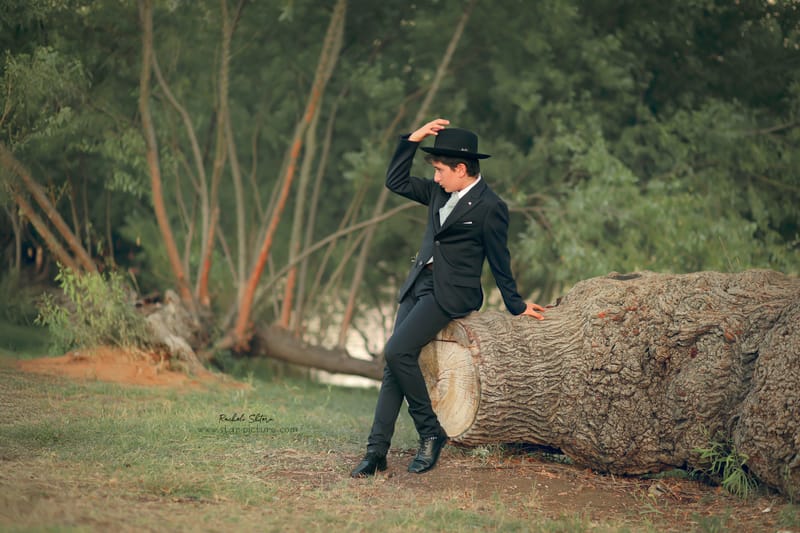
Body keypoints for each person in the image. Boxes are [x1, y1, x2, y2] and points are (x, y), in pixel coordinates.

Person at [350, 118, 546, 478]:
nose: (436, 178)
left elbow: (500, 261)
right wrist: (411, 139)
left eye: (441, 170)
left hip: (452, 293)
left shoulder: (491, 207)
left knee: (396, 351)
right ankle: (376, 450)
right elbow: (394, 181)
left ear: (461, 168)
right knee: (394, 364)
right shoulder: (438, 192)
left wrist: (516, 304)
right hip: (418, 285)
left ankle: (430, 433)